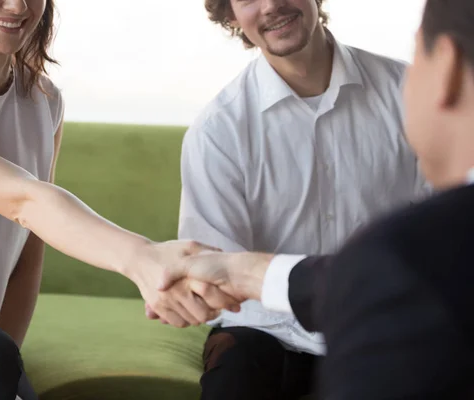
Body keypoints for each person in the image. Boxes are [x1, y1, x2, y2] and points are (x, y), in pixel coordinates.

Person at [0, 1, 241, 398]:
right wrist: (143, 258)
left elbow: (29, 248)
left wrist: (5, 370)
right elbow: (24, 201)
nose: (16, 6)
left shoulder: (43, 101)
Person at [160, 1, 474, 397]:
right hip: (266, 329)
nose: (272, 5)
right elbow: (217, 276)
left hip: (388, 316)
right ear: (230, 15)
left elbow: (450, 232)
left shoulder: (409, 90)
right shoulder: (216, 131)